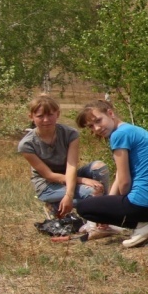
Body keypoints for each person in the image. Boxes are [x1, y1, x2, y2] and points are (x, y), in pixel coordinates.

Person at [74, 100, 148, 248]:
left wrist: (112, 210)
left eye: (98, 120)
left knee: (83, 207)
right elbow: (119, 174)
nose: (96, 128)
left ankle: (142, 226)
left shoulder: (119, 135)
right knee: (100, 205)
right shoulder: (132, 130)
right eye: (91, 126)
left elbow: (125, 182)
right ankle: (143, 224)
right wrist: (108, 206)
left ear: (110, 113)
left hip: (145, 204)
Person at [18, 94, 111, 227]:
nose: (46, 120)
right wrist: (79, 184)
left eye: (50, 114)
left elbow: (71, 166)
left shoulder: (70, 134)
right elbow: (49, 175)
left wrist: (71, 190)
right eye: (40, 116)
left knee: (99, 167)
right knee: (92, 192)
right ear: (31, 117)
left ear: (58, 114)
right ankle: (96, 221)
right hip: (48, 185)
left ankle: (105, 214)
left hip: (69, 176)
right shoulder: (26, 145)